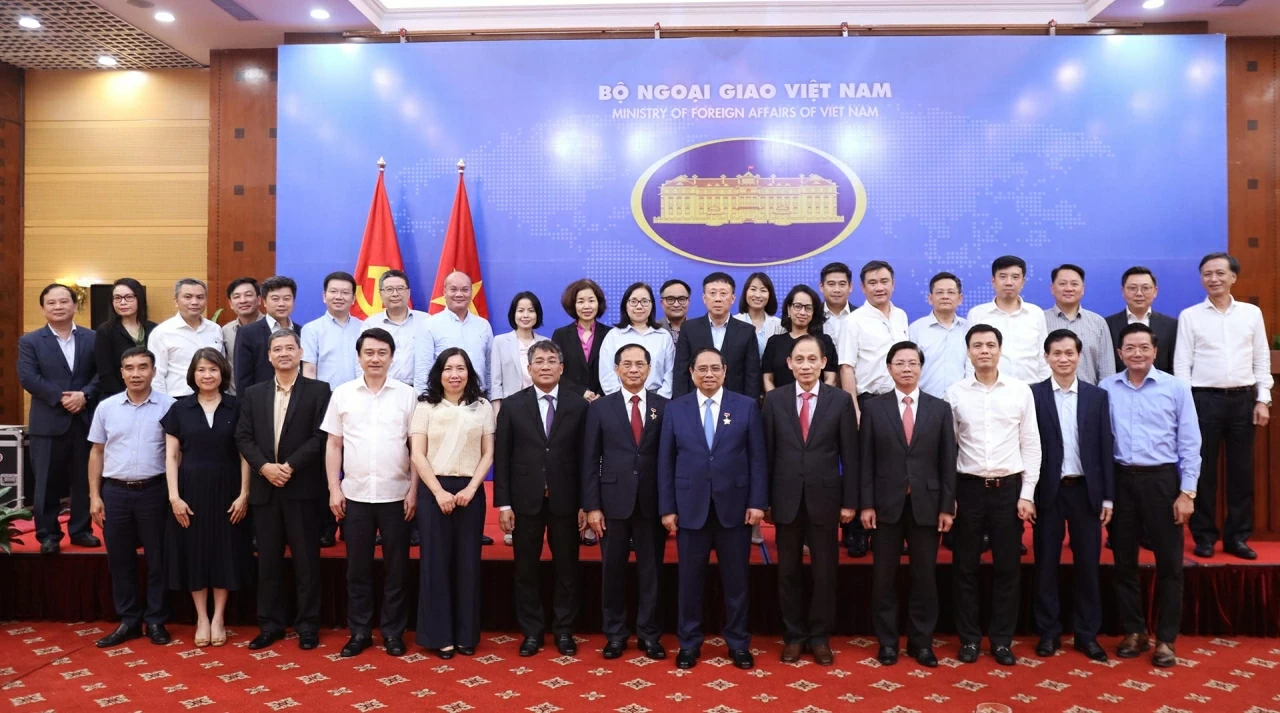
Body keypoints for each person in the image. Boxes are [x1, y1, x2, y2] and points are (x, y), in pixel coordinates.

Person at [658, 347, 767, 670]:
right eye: (702, 368)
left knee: (737, 582)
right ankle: (689, 644)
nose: (708, 374)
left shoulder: (746, 407)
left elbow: (758, 459)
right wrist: (667, 507)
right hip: (690, 508)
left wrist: (757, 503)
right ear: (691, 373)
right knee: (689, 583)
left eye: (714, 368)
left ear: (725, 371)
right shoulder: (675, 409)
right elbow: (666, 462)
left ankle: (738, 643)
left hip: (735, 508)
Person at [1102, 322, 1201, 667]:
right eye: (1130, 348)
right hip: (1121, 481)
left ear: (1155, 351)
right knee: (1124, 561)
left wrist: (1187, 492)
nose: (1137, 353)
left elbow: (1190, 443)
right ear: (1120, 353)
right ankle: (1135, 631)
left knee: (1170, 565)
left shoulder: (1176, 388)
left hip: (1162, 482)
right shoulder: (1106, 388)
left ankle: (1166, 639)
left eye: (1144, 347)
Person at [946, 324, 1041, 667]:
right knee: (964, 568)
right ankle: (969, 639)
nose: (984, 350)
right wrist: (950, 496)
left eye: (990, 345)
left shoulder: (1020, 391)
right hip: (968, 488)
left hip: (1008, 490)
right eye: (977, 345)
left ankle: (1002, 640)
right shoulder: (954, 393)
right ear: (968, 352)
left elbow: (1030, 443)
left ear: (1000, 350)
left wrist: (1027, 493)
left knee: (1007, 569)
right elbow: (949, 448)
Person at [859, 341, 956, 668]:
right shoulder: (874, 408)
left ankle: (921, 643)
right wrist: (866, 503)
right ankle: (887, 643)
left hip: (927, 506)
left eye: (912, 363)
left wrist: (947, 506)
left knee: (924, 578)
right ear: (889, 368)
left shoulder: (939, 408)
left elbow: (947, 462)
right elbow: (866, 461)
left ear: (920, 367)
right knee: (883, 578)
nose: (906, 368)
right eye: (899, 363)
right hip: (885, 506)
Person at [762, 335, 857, 666]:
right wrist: (765, 500)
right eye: (798, 359)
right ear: (789, 363)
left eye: (811, 359)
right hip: (785, 500)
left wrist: (849, 502)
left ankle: (819, 637)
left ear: (823, 363)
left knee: (825, 573)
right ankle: (793, 636)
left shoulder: (840, 401)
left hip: (826, 500)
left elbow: (851, 455)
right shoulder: (774, 401)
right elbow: (766, 455)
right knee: (787, 572)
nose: (805, 365)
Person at [323, 328, 418, 658]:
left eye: (382, 353)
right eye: (369, 353)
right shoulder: (343, 394)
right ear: (359, 356)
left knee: (397, 570)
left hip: (397, 495)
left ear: (392, 357)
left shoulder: (408, 395)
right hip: (356, 496)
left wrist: (414, 491)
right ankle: (360, 632)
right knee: (357, 569)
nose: (375, 358)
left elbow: (415, 447)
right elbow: (334, 444)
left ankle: (393, 632)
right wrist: (334, 488)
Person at [236, 329, 332, 651]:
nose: (284, 353)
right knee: (268, 564)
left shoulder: (319, 391)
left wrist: (289, 466)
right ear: (269, 355)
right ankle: (270, 625)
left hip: (302, 489)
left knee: (307, 563)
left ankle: (307, 626)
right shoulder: (253, 393)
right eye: (277, 349)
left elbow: (321, 438)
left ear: (300, 352)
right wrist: (265, 467)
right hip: (266, 490)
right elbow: (243, 437)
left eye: (290, 348)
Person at [494, 340, 590, 657]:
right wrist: (504, 504)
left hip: (566, 501)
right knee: (526, 570)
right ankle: (532, 633)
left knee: (567, 570)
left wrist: (585, 504)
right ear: (529, 367)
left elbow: (586, 459)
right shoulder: (512, 405)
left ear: (562, 368)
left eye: (552, 360)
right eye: (539, 361)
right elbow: (503, 457)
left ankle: (564, 631)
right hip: (524, 503)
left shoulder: (578, 406)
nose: (545, 366)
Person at [1175, 252, 1271, 560]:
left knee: (1241, 473)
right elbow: (1182, 364)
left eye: (1219, 273)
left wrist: (1263, 398)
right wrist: (1185, 407)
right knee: (1204, 472)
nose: (1213, 279)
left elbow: (1261, 358)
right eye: (1207, 274)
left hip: (1243, 400)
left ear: (1233, 277)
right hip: (1204, 401)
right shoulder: (1190, 315)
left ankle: (1237, 537)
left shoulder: (1250, 314)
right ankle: (1204, 536)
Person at [1029, 330, 1113, 662]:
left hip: (1085, 492)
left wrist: (1107, 497)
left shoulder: (1097, 396)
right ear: (1046, 358)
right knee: (1045, 565)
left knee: (1088, 567)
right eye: (1056, 353)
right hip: (1048, 492)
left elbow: (1106, 447)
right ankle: (1048, 634)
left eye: (1069, 353)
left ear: (1079, 356)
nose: (1063, 359)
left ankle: (1086, 634)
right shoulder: (1033, 395)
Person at [581, 344, 669, 661]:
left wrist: (668, 505)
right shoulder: (600, 408)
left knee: (651, 573)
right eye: (627, 364)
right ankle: (615, 635)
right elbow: (589, 460)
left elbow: (669, 460)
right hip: (611, 502)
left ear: (649, 369)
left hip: (651, 503)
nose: (634, 369)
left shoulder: (664, 406)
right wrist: (592, 506)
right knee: (613, 572)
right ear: (616, 369)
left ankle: (649, 635)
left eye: (640, 364)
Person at [87, 346, 175, 648]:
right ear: (121, 371)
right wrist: (94, 496)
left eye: (142, 367)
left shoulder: (169, 406)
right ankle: (128, 620)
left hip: (154, 491)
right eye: (129, 367)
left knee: (158, 560)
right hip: (115, 493)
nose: (136, 373)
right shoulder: (106, 407)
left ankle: (155, 620)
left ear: (153, 370)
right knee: (120, 560)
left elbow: (178, 455)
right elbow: (96, 452)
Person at [163, 347, 251, 649]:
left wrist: (244, 494)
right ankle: (202, 617)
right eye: (201, 370)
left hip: (228, 489)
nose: (207, 375)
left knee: (224, 550)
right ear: (193, 374)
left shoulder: (237, 406)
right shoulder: (179, 408)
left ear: (222, 373)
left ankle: (219, 618)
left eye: (213, 369)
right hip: (191, 490)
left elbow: (245, 454)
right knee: (196, 552)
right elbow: (171, 455)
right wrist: (174, 496)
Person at [411, 348, 495, 659]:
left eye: (461, 368)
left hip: (470, 492)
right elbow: (418, 454)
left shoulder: (482, 406)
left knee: (467, 564)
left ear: (470, 373)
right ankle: (439, 636)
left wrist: (472, 488)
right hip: (435, 491)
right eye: (448, 368)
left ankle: (465, 635)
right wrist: (438, 492)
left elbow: (488, 452)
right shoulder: (425, 406)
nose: (455, 374)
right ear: (439, 373)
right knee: (435, 564)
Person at [19, 283, 101, 554]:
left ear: (74, 305)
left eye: (63, 301)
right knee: (45, 483)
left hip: (84, 420)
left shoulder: (93, 338)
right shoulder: (29, 341)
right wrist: (62, 397)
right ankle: (48, 535)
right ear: (43, 308)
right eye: (51, 303)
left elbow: (101, 375)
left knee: (84, 481)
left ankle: (81, 530)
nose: (58, 307)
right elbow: (28, 377)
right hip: (48, 422)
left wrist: (84, 395)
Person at [837, 260, 909, 558]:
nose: (880, 287)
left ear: (893, 283)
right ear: (863, 288)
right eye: (873, 283)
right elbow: (846, 366)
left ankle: (892, 528)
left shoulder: (902, 315)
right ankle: (855, 532)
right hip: (866, 401)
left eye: (884, 281)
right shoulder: (853, 321)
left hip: (896, 401)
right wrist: (854, 407)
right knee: (859, 466)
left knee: (893, 466)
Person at [674, 273, 761, 399]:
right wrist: (681, 405)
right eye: (712, 293)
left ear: (733, 299)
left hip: (735, 402)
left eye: (723, 293)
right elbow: (681, 372)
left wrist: (750, 407)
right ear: (704, 298)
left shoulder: (746, 331)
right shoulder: (689, 329)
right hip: (696, 402)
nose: (718, 299)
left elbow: (752, 376)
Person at [966, 255, 1049, 385]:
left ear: (1023, 282)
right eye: (1003, 276)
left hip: (1032, 388)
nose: (1009, 282)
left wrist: (1045, 390)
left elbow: (1044, 357)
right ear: (993, 280)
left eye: (1015, 277)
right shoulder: (977, 314)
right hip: (992, 388)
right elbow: (970, 358)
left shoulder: (1036, 313)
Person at [415, 270, 494, 397]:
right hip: (443, 400)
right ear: (444, 292)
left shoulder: (483, 325)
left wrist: (492, 400)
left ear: (471, 292)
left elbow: (490, 368)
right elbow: (422, 370)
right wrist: (424, 402)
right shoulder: (429, 325)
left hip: (479, 398)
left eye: (465, 289)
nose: (459, 294)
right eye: (453, 289)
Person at [598, 282, 675, 397]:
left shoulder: (664, 336)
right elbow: (607, 375)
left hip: (657, 400)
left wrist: (659, 400)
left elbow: (670, 374)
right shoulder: (613, 336)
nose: (639, 306)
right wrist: (622, 400)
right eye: (633, 302)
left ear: (652, 305)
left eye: (644, 301)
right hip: (620, 401)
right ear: (625, 305)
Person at [1043, 265, 1116, 385]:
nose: (1068, 288)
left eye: (1074, 284)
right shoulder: (1039, 319)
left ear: (1083, 289)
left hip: (1089, 397)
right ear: (1052, 288)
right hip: (1047, 397)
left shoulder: (1098, 323)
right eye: (1062, 284)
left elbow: (1107, 371)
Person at [150, 278, 224, 397]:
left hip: (213, 398)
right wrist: (164, 406)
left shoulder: (215, 329)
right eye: (188, 297)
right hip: (178, 399)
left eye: (200, 297)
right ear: (176, 301)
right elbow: (156, 375)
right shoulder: (162, 332)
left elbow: (221, 367)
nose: (194, 302)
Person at [762, 285, 839, 391]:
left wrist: (819, 402)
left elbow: (830, 378)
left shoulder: (824, 341)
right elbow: (767, 379)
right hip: (780, 404)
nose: (802, 312)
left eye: (808, 308)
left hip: (818, 404)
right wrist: (776, 403)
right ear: (789, 309)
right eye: (797, 306)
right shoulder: (774, 342)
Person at [361, 269, 428, 386]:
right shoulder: (370, 324)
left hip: (420, 390)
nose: (395, 294)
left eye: (400, 289)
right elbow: (362, 362)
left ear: (408, 292)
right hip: (383, 389)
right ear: (380, 294)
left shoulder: (426, 321)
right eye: (389, 289)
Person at [1105, 266, 1178, 374]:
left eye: (1145, 288)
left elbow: (1175, 364)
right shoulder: (1107, 325)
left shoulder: (1172, 326)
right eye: (1132, 288)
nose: (1139, 293)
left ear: (1155, 291)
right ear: (1123, 291)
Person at [236, 276, 301, 396]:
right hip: (262, 403)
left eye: (287, 298)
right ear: (264, 302)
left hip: (297, 401)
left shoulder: (302, 332)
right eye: (275, 299)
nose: (281, 304)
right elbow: (243, 379)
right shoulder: (247, 333)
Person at [909, 272, 969, 399]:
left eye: (951, 292)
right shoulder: (916, 329)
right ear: (930, 298)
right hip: (925, 402)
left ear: (960, 299)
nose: (945, 296)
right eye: (940, 292)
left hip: (962, 401)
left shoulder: (969, 329)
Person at [94, 278, 157, 398]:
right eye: (117, 298)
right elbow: (105, 373)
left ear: (139, 298)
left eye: (129, 297)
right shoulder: (105, 331)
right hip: (118, 397)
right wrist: (127, 398)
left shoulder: (154, 329)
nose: (122, 302)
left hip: (152, 395)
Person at [302, 271, 364, 388]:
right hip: (325, 396)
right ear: (324, 296)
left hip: (359, 395)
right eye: (333, 291)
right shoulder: (311, 329)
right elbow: (309, 370)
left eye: (345, 292)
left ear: (353, 298)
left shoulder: (364, 327)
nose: (339, 297)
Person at [550, 278, 610, 400]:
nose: (586, 306)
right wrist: (581, 392)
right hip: (571, 401)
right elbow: (555, 370)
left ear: (599, 303)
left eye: (591, 301)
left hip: (603, 401)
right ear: (573, 304)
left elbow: (615, 369)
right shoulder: (560, 335)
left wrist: (601, 394)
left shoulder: (610, 334)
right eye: (581, 301)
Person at [490, 291, 549, 411]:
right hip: (511, 407)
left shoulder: (547, 343)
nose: (526, 315)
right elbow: (496, 384)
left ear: (537, 314)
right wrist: (497, 413)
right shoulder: (500, 341)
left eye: (531, 311)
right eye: (521, 310)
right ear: (513, 314)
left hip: (541, 407)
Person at [221, 277, 264, 393]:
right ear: (230, 303)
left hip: (265, 398)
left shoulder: (272, 328)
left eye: (248, 295)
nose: (243, 300)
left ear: (259, 299)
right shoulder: (225, 331)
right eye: (236, 297)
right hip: (234, 399)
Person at [733, 272, 782, 359]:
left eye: (763, 290)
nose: (758, 295)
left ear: (770, 295)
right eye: (753, 289)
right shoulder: (734, 322)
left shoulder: (778, 325)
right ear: (745, 292)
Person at [819, 262, 854, 342]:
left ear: (850, 287)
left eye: (842, 284)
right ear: (821, 287)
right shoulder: (812, 316)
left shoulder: (860, 316)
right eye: (831, 284)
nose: (837, 290)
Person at [659, 278, 692, 346]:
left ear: (688, 302)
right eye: (670, 299)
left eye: (681, 299)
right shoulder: (653, 329)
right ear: (662, 303)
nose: (676, 305)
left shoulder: (699, 329)